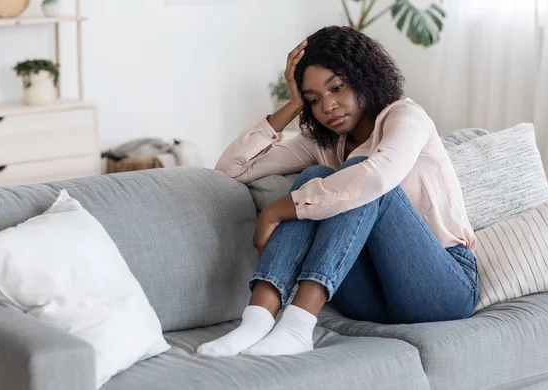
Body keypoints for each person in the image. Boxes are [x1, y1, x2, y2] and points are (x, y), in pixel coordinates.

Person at [197, 25, 479, 358]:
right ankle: (257, 318)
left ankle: (298, 325)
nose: (328, 106)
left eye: (337, 88)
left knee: (364, 181)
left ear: (364, 77)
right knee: (316, 173)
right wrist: (292, 105)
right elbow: (230, 170)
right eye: (314, 99)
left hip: (442, 285)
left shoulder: (407, 117)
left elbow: (376, 179)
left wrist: (279, 209)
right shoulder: (326, 143)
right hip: (370, 297)